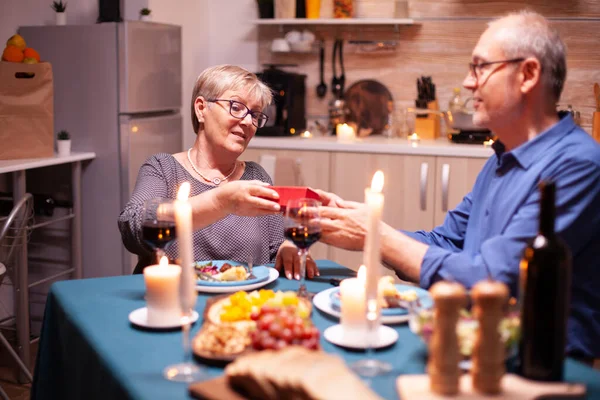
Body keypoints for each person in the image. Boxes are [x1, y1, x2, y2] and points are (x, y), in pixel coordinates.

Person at [316, 11, 600, 362]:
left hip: (544, 366)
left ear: (528, 74)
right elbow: (447, 241)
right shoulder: (501, 156)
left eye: (480, 67)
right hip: (481, 347)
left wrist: (375, 235)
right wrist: (364, 230)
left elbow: (494, 281)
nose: (468, 82)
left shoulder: (577, 166)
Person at [118, 64, 318, 280]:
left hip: (241, 305)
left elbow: (274, 249)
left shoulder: (257, 176)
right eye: (236, 107)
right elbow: (133, 228)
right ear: (201, 108)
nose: (248, 122)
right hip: (177, 302)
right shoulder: (162, 168)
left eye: (255, 115)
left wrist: (286, 248)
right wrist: (221, 201)